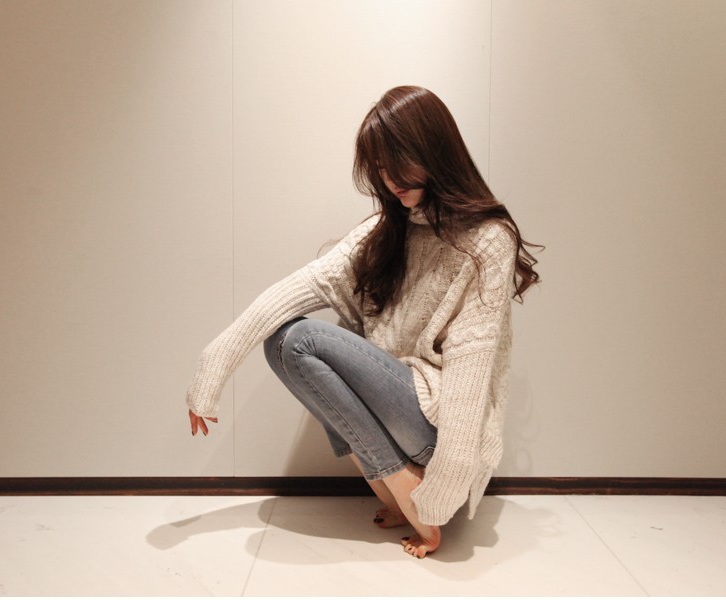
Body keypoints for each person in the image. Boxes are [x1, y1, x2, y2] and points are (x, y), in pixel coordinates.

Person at [185, 85, 540, 558]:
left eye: (399, 161)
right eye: (380, 167)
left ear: (434, 149)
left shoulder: (487, 240)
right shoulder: (386, 229)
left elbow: (470, 375)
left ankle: (410, 492)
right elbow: (297, 288)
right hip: (396, 412)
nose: (390, 179)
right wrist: (214, 364)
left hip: (437, 429)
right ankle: (396, 483)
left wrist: (442, 492)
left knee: (303, 338)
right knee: (282, 342)